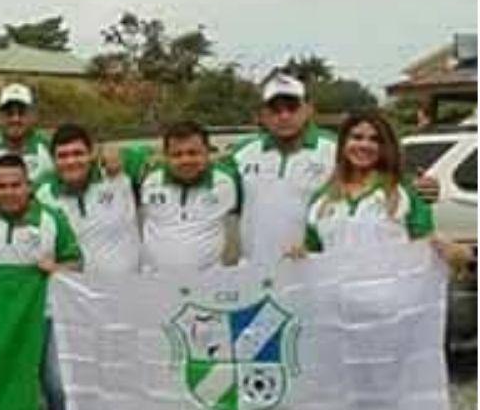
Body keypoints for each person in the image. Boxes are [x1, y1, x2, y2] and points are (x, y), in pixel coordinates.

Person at [246, 111, 454, 410]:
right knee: (305, 398)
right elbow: (317, 249)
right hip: (329, 318)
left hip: (384, 322)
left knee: (371, 408)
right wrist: (301, 254)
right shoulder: (325, 198)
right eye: (355, 137)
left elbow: (421, 248)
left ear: (385, 146)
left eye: (372, 138)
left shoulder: (402, 194)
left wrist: (445, 250)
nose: (362, 144)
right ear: (342, 144)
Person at [227, 72, 438, 267]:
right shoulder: (241, 153)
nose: (284, 116)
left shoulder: (337, 148)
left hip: (314, 272)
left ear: (309, 108)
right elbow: (205, 181)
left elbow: (389, 175)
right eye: (275, 109)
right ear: (262, 114)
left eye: (292, 107)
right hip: (255, 273)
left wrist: (422, 188)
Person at [0, 154, 82, 410]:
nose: (9, 192)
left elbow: (77, 263)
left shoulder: (51, 219)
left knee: (55, 384)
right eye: (2, 186)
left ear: (30, 186)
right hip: (0, 317)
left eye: (16, 185)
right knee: (3, 380)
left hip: (46, 315)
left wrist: (56, 268)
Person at [36, 124, 143, 276]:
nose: (71, 161)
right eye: (63, 156)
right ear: (53, 160)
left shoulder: (119, 171)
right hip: (77, 294)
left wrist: (117, 153)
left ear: (91, 153)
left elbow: (167, 156)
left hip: (128, 289)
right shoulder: (42, 194)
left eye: (78, 153)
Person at [137, 121, 241, 273]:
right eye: (177, 155)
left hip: (208, 281)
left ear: (207, 152)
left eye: (193, 153)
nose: (186, 160)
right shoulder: (147, 177)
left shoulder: (228, 180)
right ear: (166, 156)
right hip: (154, 281)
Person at [0, 83, 53, 184]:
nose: (15, 119)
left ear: (32, 116)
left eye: (21, 113)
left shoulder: (49, 148)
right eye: (9, 113)